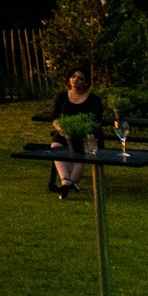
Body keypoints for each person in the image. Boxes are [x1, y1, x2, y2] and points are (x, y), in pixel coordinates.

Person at [48, 68, 106, 198]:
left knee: (83, 149)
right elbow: (55, 118)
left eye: (80, 78)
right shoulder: (62, 97)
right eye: (73, 76)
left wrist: (80, 130)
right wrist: (63, 129)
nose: (76, 80)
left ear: (86, 82)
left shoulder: (94, 100)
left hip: (86, 134)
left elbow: (95, 121)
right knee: (56, 146)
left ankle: (66, 184)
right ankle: (66, 180)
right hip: (64, 132)